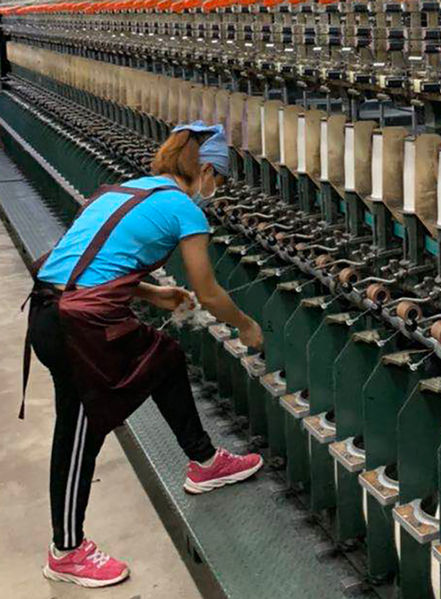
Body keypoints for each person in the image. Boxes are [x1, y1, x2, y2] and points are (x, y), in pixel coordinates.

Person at [23, 122, 265, 588]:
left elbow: (90, 261)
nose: (217, 190)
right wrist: (246, 325)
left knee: (165, 357)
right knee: (80, 430)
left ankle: (205, 462)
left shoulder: (126, 190)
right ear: (207, 171)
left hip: (54, 308)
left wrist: (155, 295)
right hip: (74, 326)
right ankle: (66, 551)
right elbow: (208, 292)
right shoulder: (184, 210)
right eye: (220, 180)